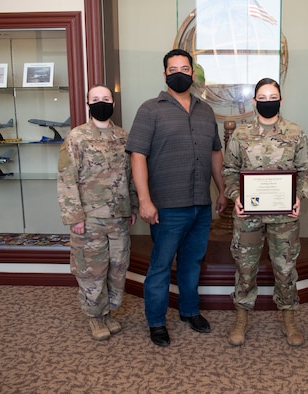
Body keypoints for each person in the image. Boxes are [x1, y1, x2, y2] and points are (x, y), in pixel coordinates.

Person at [125, 49, 227, 347]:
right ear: (165, 74)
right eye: (173, 69)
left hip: (201, 204)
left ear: (193, 73)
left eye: (185, 68)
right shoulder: (150, 109)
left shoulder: (206, 111)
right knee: (160, 265)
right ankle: (156, 322)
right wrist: (144, 200)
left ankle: (189, 311)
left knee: (192, 262)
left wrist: (221, 189)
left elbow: (215, 152)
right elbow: (138, 156)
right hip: (167, 207)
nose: (180, 72)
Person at [223, 78, 308, 347]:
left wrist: (299, 196)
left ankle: (289, 318)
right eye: (261, 97)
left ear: (281, 100)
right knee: (245, 267)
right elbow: (229, 171)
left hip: (284, 217)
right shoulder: (241, 134)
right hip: (247, 216)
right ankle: (241, 318)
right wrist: (235, 197)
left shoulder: (295, 132)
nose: (267, 101)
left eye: (272, 96)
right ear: (254, 102)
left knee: (285, 268)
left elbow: (307, 171)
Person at [57, 84, 138, 341]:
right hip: (89, 218)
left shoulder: (124, 137)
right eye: (95, 99)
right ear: (87, 104)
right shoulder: (76, 137)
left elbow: (132, 176)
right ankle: (95, 317)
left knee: (117, 267)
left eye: (106, 99)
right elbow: (66, 178)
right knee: (91, 269)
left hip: (118, 217)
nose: (101, 102)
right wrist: (74, 217)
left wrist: (133, 206)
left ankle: (109, 312)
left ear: (113, 104)